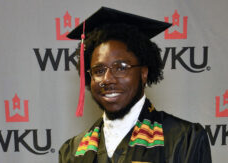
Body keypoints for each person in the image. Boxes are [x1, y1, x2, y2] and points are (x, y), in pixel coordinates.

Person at [59, 7, 212, 163]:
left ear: (143, 74)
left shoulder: (184, 139)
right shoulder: (72, 151)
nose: (107, 79)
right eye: (99, 70)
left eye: (120, 68)